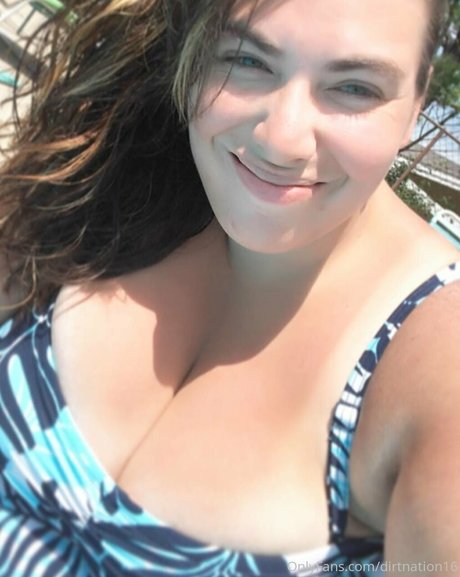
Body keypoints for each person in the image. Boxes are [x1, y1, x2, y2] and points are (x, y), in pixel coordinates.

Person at [0, 0, 458, 575]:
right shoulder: (106, 155)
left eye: (355, 88)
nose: (281, 140)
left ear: (416, 103)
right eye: (247, 59)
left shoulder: (436, 355)